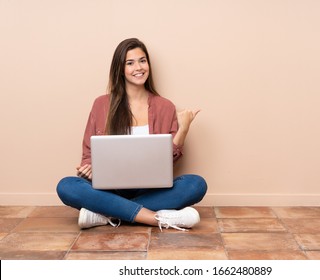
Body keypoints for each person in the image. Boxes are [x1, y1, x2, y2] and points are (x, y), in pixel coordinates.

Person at [57, 38, 207, 231]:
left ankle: (106, 213)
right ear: (120, 69)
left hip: (151, 189)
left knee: (196, 184)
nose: (139, 67)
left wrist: (184, 129)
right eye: (130, 63)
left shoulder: (165, 106)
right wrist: (89, 168)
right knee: (66, 185)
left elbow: (167, 162)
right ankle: (156, 218)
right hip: (110, 189)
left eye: (142, 61)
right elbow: (88, 155)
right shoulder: (101, 104)